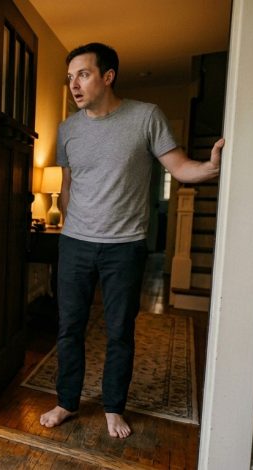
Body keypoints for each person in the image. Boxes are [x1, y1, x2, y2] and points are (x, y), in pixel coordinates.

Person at [38, 43, 223, 439]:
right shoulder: (68, 128)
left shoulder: (146, 117)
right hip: (75, 245)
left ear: (108, 76)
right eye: (69, 77)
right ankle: (67, 401)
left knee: (119, 331)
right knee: (69, 328)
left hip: (125, 247)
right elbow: (68, 186)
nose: (74, 84)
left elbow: (180, 167)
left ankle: (113, 407)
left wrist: (209, 167)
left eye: (83, 74)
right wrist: (75, 226)